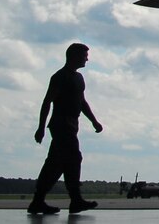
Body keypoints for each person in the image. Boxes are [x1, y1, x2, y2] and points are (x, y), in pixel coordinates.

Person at [27, 43, 103, 215]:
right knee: (72, 159)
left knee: (58, 164)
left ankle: (39, 202)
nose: (87, 59)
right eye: (84, 56)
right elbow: (47, 102)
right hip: (61, 125)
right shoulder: (60, 77)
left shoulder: (79, 78)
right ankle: (74, 200)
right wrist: (41, 128)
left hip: (72, 124)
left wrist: (94, 121)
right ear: (74, 56)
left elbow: (82, 102)